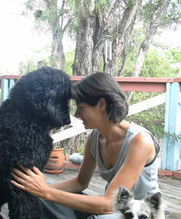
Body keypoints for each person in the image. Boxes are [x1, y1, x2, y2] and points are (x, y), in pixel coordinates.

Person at [11, 72, 161, 219]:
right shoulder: (94, 138)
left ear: (101, 104)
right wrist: (37, 188)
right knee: (43, 188)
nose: (76, 114)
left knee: (46, 193)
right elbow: (80, 182)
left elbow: (109, 203)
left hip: (138, 214)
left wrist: (45, 191)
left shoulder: (140, 141)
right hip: (111, 210)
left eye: (81, 108)